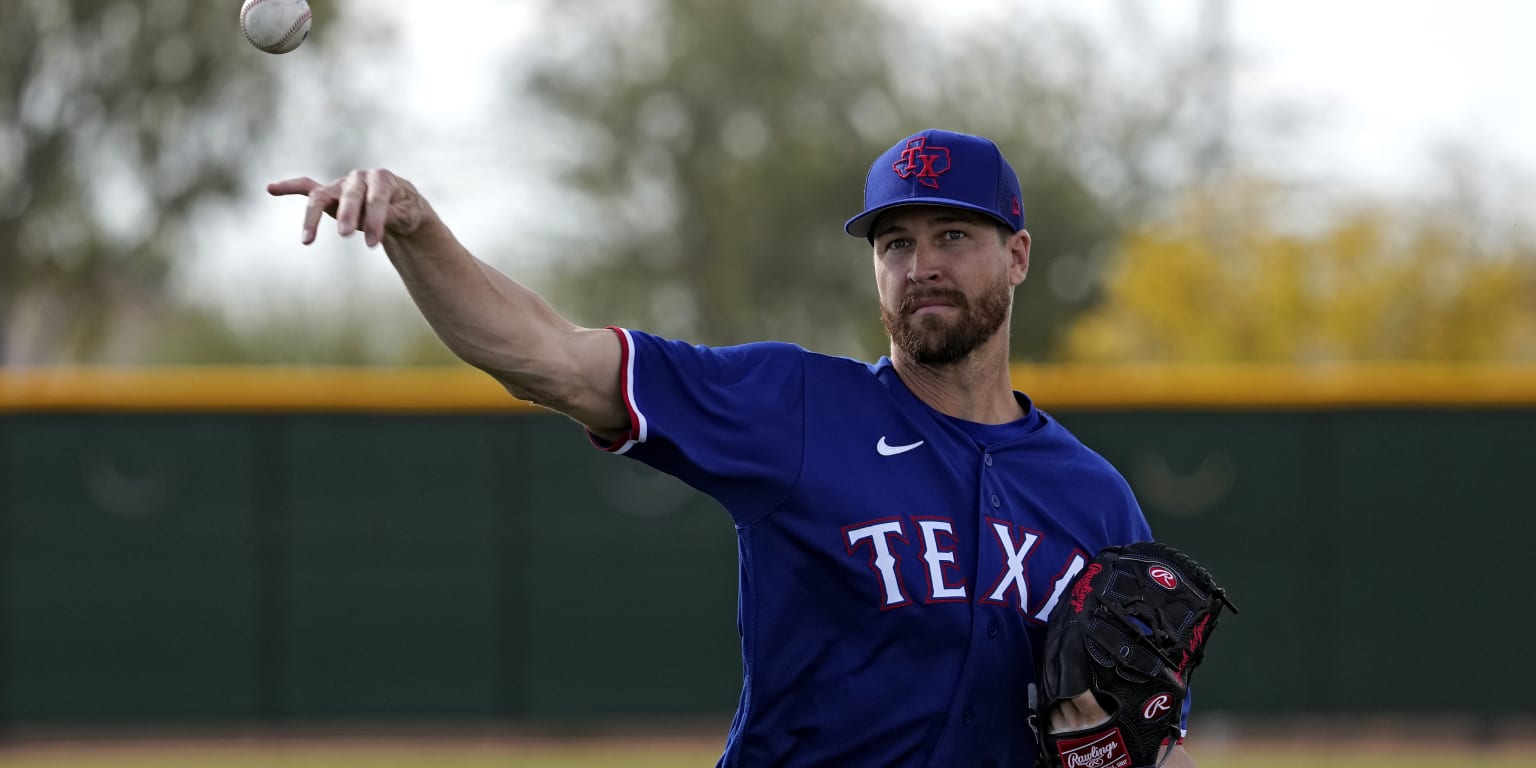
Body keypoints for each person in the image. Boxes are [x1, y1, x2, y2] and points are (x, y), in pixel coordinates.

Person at [269, 128, 1198, 767]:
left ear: (1019, 255)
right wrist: (420, 231)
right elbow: (548, 358)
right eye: (894, 242)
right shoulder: (792, 405)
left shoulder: (1093, 497)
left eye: (953, 235)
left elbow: (1154, 732)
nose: (921, 266)